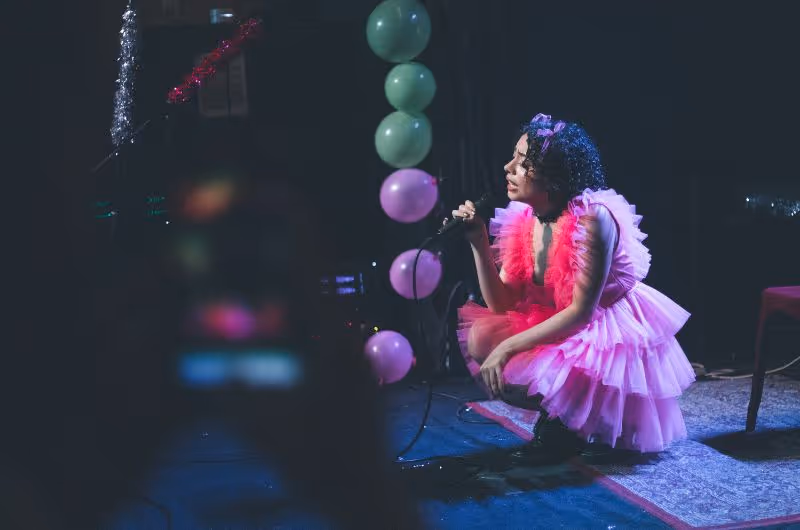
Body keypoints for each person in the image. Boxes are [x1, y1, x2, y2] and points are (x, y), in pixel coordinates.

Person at [451, 113, 695, 458]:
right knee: (481, 337)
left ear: (553, 177)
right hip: (560, 317)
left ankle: (576, 424)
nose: (508, 167)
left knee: (522, 354)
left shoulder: (592, 220)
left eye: (522, 162)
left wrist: (507, 348)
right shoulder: (524, 217)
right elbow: (501, 305)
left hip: (604, 331)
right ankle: (563, 421)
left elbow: (581, 314)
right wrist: (478, 243)